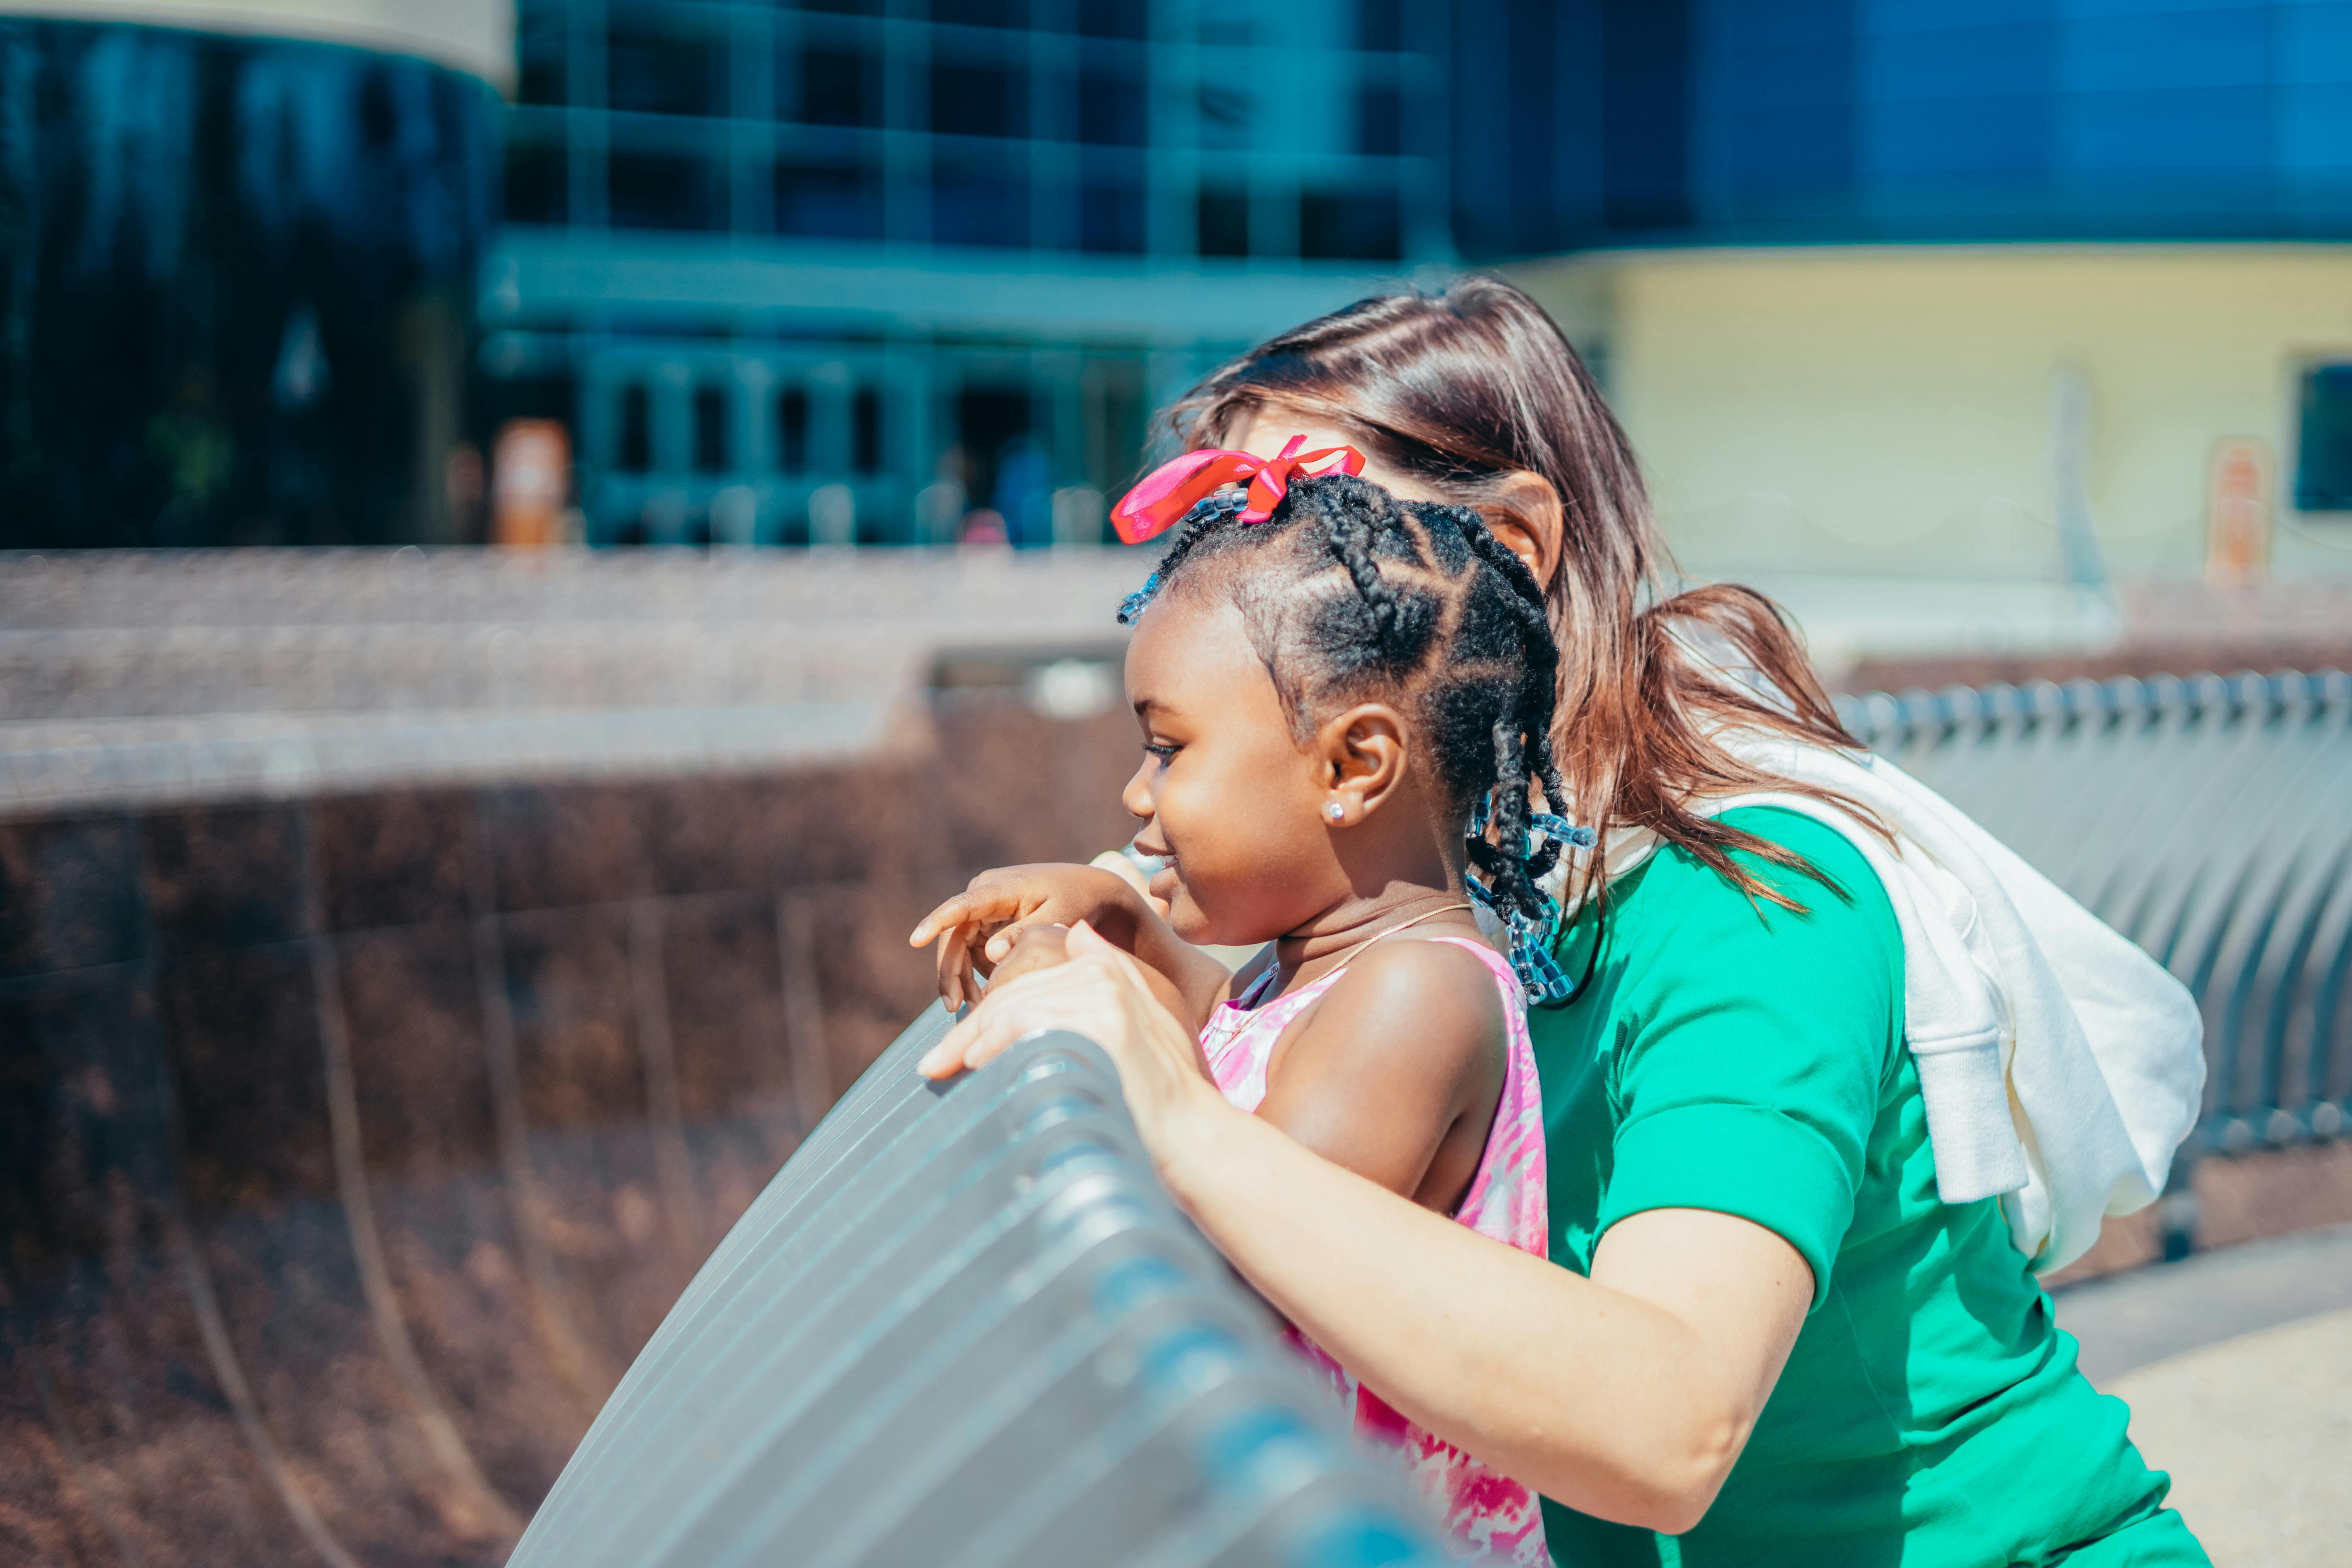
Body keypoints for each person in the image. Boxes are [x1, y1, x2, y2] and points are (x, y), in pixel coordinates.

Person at [914, 278, 2208, 1567]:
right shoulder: (1419, 878)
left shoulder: (1751, 900)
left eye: (1315, 524)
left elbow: (1668, 1425)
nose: (1247, 577)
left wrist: (1183, 1120)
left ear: (1518, 547)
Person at [913, 471, 1574, 1563]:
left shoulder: (1419, 994)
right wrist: (1127, 925)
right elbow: (1254, 1046)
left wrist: (1104, 1020)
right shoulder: (1313, 971)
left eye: (1168, 749)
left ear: (1352, 767)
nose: (1136, 796)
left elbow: (1241, 1249)